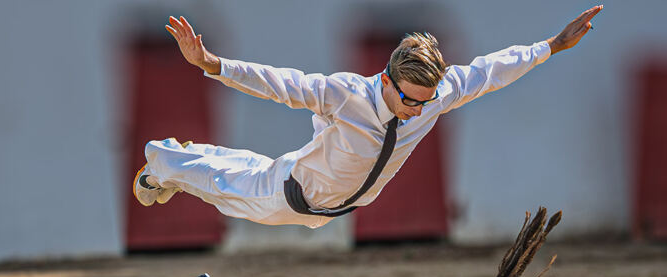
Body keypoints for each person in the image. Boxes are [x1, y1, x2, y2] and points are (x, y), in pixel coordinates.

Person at [133, 6, 603, 228]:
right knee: (219, 184)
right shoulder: (347, 94)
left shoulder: (435, 96)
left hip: (330, 208)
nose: (418, 109)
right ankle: (161, 165)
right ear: (386, 79)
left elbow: (490, 70)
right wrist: (213, 65)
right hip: (289, 196)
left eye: (426, 100)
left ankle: (180, 159)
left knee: (239, 170)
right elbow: (281, 83)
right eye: (410, 100)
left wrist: (551, 47)